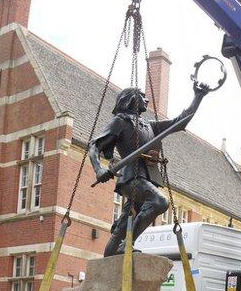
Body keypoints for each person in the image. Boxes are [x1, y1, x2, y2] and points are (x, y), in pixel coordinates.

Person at [88, 81, 210, 257]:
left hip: (147, 177)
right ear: (131, 99)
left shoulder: (150, 125)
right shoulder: (121, 121)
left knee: (121, 228)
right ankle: (127, 244)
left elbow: (181, 121)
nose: (146, 99)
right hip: (132, 177)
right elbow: (94, 146)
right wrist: (99, 169)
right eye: (142, 96)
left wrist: (197, 98)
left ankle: (108, 261)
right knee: (160, 202)